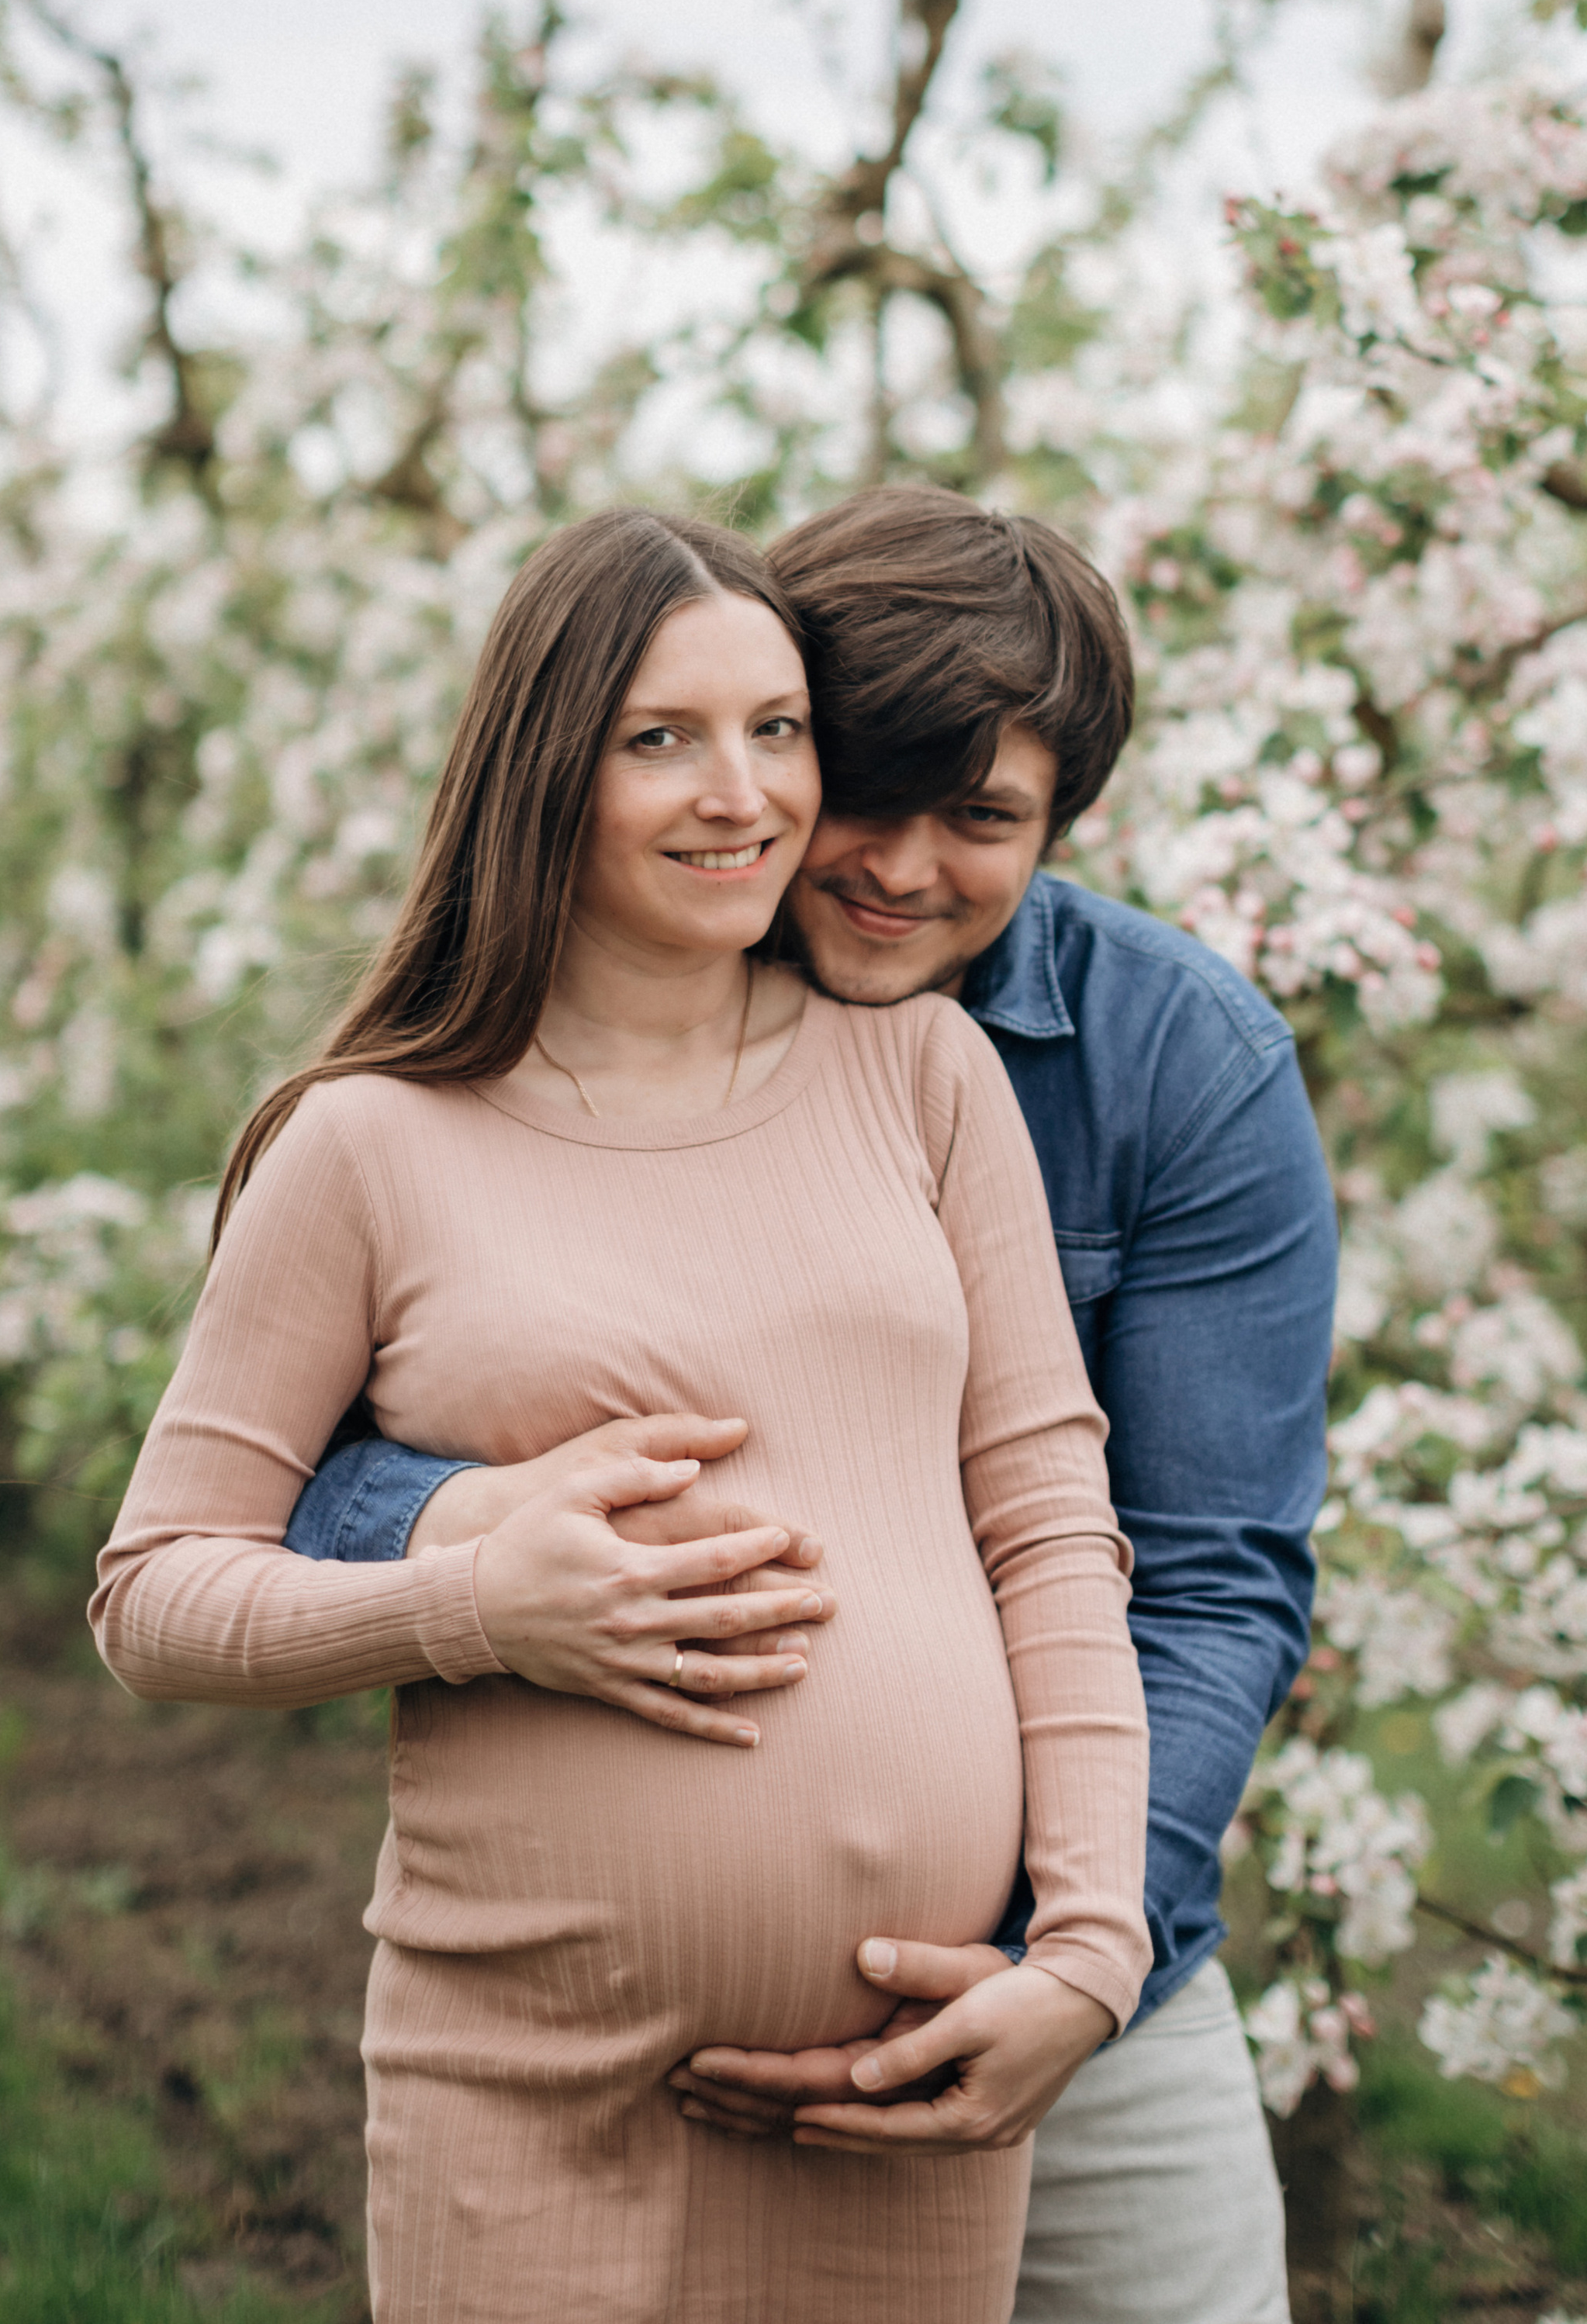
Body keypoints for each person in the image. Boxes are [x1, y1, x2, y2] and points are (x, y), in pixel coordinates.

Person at [290, 486, 1338, 2324]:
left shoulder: (1180, 1061)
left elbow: (1202, 1576)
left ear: (1058, 824)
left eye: (984, 820)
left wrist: (1069, 1964)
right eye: (863, 786)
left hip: (1061, 1969)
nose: (899, 867)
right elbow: (287, 1477)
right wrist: (465, 1536)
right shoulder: (604, 1005)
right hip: (594, 2015)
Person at [92, 508, 1153, 2324]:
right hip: (531, 2085)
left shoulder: (921, 1072)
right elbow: (155, 1597)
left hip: (900, 2077)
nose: (737, 793)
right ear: (542, 772)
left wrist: (1083, 1952)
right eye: (658, 738)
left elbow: (1047, 1529)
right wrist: (470, 1608)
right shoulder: (371, 1141)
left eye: (776, 728)